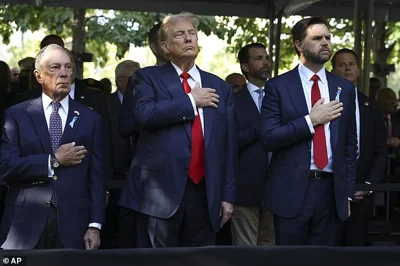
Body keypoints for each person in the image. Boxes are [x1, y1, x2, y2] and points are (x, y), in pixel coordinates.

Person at [118, 12, 237, 247]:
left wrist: (227, 195)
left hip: (205, 193)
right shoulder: (147, 78)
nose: (188, 39)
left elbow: (229, 146)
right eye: (180, 34)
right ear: (164, 46)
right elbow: (144, 114)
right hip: (159, 194)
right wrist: (191, 101)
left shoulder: (219, 87)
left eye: (192, 34)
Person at [261, 16, 357, 245]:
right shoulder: (278, 86)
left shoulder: (344, 87)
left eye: (327, 38)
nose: (325, 42)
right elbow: (268, 138)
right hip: (291, 192)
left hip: (332, 192)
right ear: (299, 44)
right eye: (317, 38)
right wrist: (309, 121)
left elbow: (350, 144)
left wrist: (348, 191)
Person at [0, 44, 105, 249]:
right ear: (39, 76)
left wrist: (95, 224)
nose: (64, 74)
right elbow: (6, 166)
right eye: (55, 68)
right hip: (24, 225)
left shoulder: (90, 118)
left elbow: (98, 176)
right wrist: (53, 160)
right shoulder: (17, 115)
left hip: (74, 225)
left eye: (68, 67)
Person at [331, 48, 387, 246]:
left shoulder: (371, 107)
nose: (347, 68)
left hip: (362, 192)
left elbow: (381, 151)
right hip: (328, 191)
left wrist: (368, 186)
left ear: (358, 70)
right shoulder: (324, 103)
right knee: (326, 251)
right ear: (333, 70)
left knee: (356, 251)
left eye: (351, 64)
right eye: (341, 64)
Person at [231, 43, 274, 246]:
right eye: (258, 58)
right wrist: (261, 124)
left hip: (277, 188)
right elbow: (229, 142)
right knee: (245, 254)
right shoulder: (233, 101)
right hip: (245, 190)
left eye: (266, 57)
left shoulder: (280, 97)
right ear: (245, 67)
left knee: (271, 252)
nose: (265, 62)